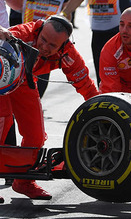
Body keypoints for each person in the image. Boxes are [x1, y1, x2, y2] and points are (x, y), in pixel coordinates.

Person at [0, 15, 100, 200]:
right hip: (1, 82)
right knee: (2, 125)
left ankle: (23, 183)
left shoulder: (68, 54)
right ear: (39, 31)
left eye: (52, 46)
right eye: (43, 40)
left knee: (36, 136)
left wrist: (102, 110)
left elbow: (86, 86)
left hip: (25, 82)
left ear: (63, 46)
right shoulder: (22, 33)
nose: (44, 47)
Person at [13, 0, 72, 97]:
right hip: (50, 36)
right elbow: (67, 15)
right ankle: (36, 101)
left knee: (21, 73)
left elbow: (18, 8)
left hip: (28, 35)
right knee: (42, 73)